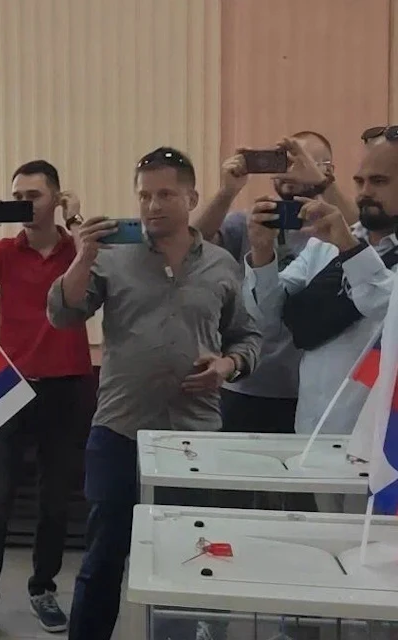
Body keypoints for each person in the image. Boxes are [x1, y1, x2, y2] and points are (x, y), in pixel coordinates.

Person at [47, 147, 262, 640]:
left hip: (195, 439)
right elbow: (63, 313)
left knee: (185, 558)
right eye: (144, 196)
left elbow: (248, 337)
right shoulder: (113, 258)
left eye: (165, 194)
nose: (152, 206)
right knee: (102, 558)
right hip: (120, 432)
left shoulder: (222, 265)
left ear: (192, 198)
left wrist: (227, 365)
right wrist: (83, 255)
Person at [0, 161, 96, 639]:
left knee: (54, 501)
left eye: (34, 195)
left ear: (57, 198)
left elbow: (103, 269)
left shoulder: (77, 248)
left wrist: (77, 220)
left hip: (65, 385)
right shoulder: (4, 250)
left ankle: (43, 588)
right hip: (8, 383)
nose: (24, 204)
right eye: (18, 196)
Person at [244, 127, 398, 513]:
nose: (365, 191)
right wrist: (262, 253)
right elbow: (269, 318)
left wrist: (347, 245)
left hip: (379, 445)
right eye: (360, 181)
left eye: (379, 181)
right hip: (312, 430)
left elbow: (384, 306)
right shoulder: (323, 242)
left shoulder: (341, 238)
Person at [194, 132, 355, 441]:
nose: (290, 172)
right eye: (284, 163)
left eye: (301, 163)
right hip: (245, 382)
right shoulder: (251, 222)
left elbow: (365, 242)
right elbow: (192, 245)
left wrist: (321, 185)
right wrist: (227, 192)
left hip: (310, 392)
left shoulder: (338, 229)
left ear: (327, 170)